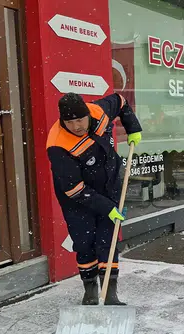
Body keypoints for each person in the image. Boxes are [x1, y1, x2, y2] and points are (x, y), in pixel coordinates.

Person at [46, 92, 143, 305]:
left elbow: (121, 101)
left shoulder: (99, 110)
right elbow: (73, 189)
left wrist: (132, 127)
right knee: (84, 242)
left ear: (88, 114)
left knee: (108, 240)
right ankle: (90, 291)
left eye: (80, 119)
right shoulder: (58, 145)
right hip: (77, 199)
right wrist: (106, 207)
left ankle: (109, 294)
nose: (76, 126)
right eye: (70, 122)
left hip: (110, 185)